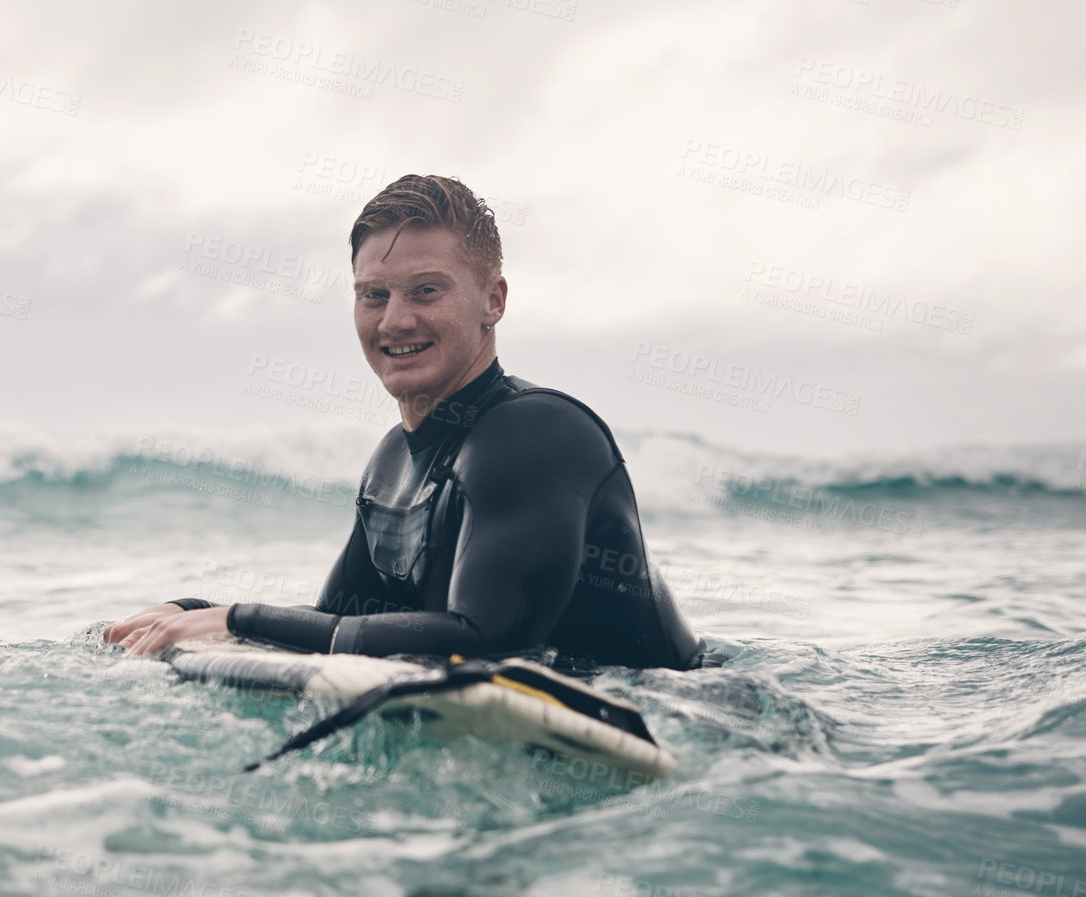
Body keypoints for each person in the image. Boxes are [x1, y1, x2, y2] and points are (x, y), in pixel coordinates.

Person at [106, 174, 705, 671]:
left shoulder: (537, 433)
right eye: (373, 295)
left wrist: (237, 619)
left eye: (425, 291)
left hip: (689, 719)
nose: (395, 321)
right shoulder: (394, 462)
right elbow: (337, 629)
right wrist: (185, 613)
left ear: (493, 300)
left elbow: (488, 639)